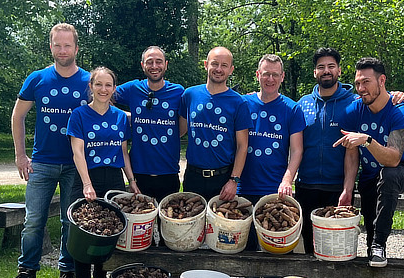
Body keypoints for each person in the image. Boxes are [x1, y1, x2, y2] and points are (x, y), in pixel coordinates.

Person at [2, 23, 89, 278]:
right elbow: (17, 116)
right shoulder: (37, 79)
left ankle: (68, 275)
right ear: (50, 47)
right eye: (57, 45)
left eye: (67, 45)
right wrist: (20, 155)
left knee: (70, 222)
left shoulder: (89, 82)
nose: (62, 50)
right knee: (33, 221)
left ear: (76, 48)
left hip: (76, 166)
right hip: (42, 163)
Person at [295, 48, 404, 254]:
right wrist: (254, 98)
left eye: (331, 66)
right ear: (314, 72)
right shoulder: (305, 104)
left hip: (344, 182)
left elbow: (383, 155)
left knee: (337, 245)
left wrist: (366, 140)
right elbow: (350, 151)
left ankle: (374, 252)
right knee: (312, 245)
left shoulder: (358, 103)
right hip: (309, 183)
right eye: (321, 67)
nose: (326, 71)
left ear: (339, 70)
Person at [66, 67, 140, 278]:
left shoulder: (120, 117)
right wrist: (87, 184)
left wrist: (132, 181)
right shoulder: (79, 115)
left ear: (114, 88)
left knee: (107, 233)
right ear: (91, 86)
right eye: (99, 84)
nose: (103, 90)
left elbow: (123, 152)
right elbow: (77, 152)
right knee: (83, 234)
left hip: (113, 179)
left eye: (108, 85)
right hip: (88, 178)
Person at [337, 57, 404, 268]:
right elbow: (351, 154)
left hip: (401, 171)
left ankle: (379, 244)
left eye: (367, 82)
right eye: (358, 83)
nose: (361, 88)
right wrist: (347, 189)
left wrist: (367, 139)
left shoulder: (401, 110)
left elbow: (393, 158)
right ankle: (375, 254)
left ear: (382, 81)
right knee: (370, 225)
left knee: (388, 175)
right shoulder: (354, 111)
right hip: (371, 175)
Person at [178, 46, 252, 200]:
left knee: (220, 224)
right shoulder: (189, 95)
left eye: (224, 65)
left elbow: (242, 146)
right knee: (190, 223)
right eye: (214, 64)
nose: (219, 69)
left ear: (231, 70)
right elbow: (179, 131)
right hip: (193, 176)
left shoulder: (238, 102)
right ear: (206, 65)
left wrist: (234, 180)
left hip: (223, 177)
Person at [112, 46, 184, 201]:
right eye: (149, 62)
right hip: (139, 172)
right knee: (141, 222)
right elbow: (104, 95)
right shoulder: (133, 88)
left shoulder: (178, 92)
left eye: (159, 62)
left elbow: (184, 125)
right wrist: (125, 116)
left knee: (169, 223)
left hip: (168, 171)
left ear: (166, 64)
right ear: (142, 65)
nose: (154, 66)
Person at [239, 54, 305, 199]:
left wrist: (287, 181)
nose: (270, 79)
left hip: (275, 188)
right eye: (266, 74)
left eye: (275, 75)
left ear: (282, 77)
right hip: (241, 187)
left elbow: (296, 151)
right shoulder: (242, 104)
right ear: (258, 75)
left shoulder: (292, 109)